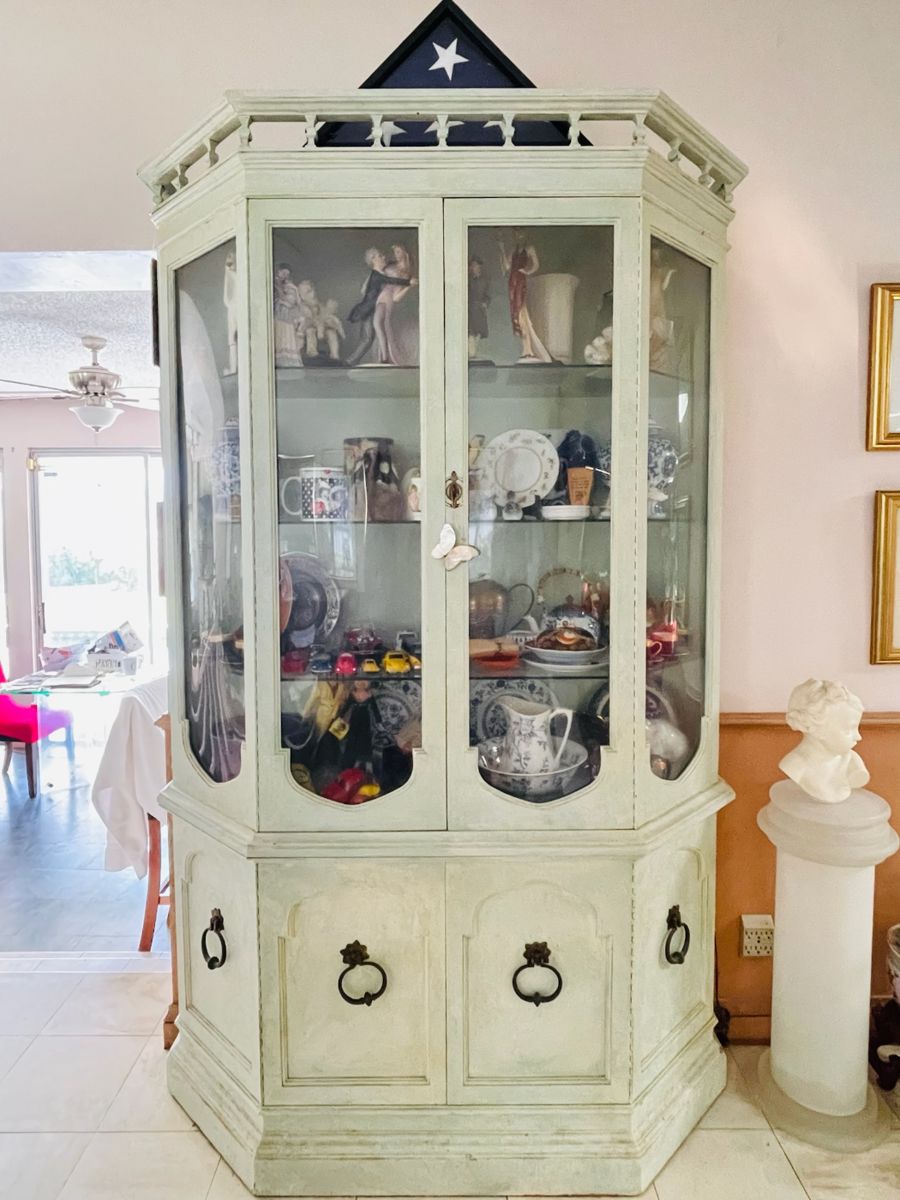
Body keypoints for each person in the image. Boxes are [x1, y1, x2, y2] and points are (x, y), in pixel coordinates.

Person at [346, 248, 416, 366]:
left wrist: (401, 259)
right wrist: (409, 282)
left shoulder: (383, 271)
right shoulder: (377, 275)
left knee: (372, 335)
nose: (383, 257)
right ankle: (351, 361)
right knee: (368, 338)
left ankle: (381, 357)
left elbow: (393, 265)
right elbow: (391, 280)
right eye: (380, 256)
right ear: (373, 260)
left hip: (376, 307)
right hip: (368, 310)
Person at [497, 228, 552, 362]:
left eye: (520, 233)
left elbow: (536, 265)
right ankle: (526, 349)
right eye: (516, 234)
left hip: (520, 281)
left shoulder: (529, 248)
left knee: (522, 314)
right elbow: (506, 267)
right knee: (517, 314)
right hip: (513, 282)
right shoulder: (513, 250)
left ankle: (528, 349)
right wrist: (502, 248)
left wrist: (527, 271)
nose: (518, 236)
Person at [273, 263, 303, 367]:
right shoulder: (275, 284)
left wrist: (281, 295)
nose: (284, 276)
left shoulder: (291, 287)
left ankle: (289, 362)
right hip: (278, 315)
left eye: (287, 274)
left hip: (287, 317)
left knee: (287, 336)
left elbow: (291, 302)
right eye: (283, 273)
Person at [467, 256, 490, 359]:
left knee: (479, 331)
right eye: (472, 266)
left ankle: (473, 352)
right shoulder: (468, 280)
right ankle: (471, 353)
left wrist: (485, 303)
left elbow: (488, 294)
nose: (473, 267)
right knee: (471, 331)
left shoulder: (485, 280)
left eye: (475, 265)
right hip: (470, 308)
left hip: (479, 309)